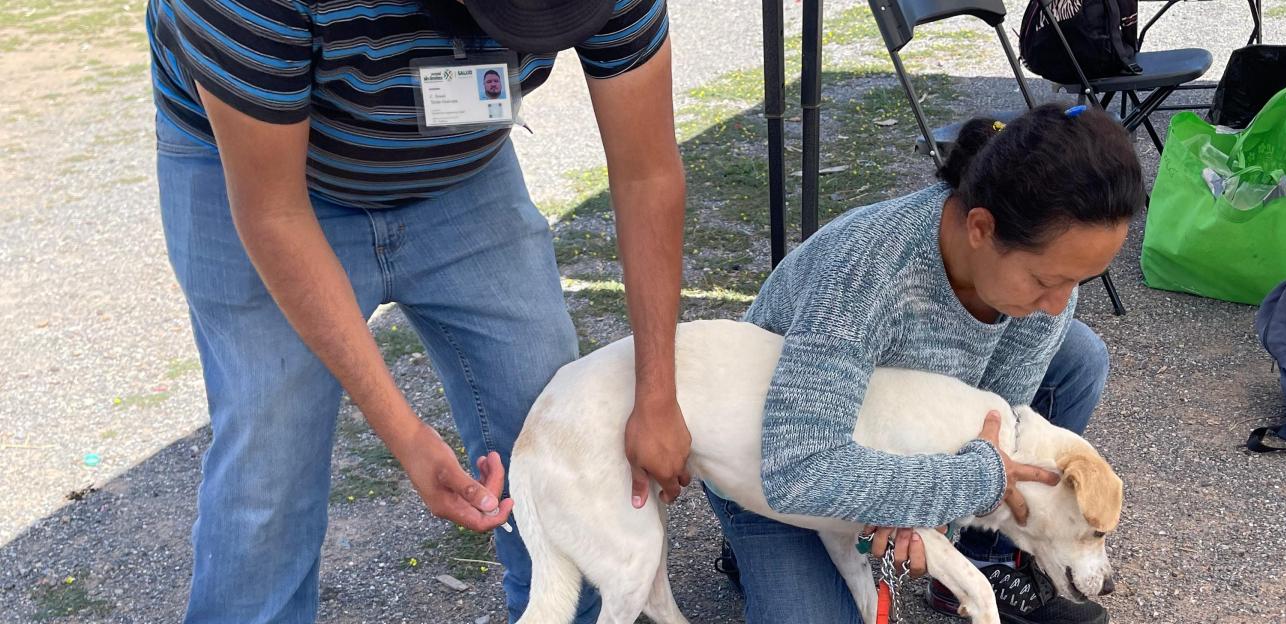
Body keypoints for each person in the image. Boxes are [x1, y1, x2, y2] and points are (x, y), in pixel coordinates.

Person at [145, 0, 691, 621]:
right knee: (267, 475)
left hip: (460, 173)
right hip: (258, 175)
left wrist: (657, 393)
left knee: (553, 419)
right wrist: (405, 435)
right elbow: (274, 213)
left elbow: (646, 172)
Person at [707, 103, 1143, 624]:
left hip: (893, 443)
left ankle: (983, 556)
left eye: (1079, 281)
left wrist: (933, 518)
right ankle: (751, 540)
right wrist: (950, 489)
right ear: (980, 227)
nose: (1058, 303)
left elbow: (993, 427)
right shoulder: (866, 269)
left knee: (1079, 355)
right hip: (769, 451)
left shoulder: (1044, 286)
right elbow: (798, 469)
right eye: (1048, 280)